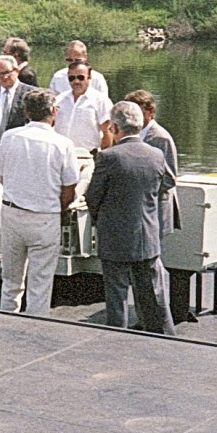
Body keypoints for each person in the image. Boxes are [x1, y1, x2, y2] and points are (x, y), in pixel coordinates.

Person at [85, 101, 175, 334]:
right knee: (154, 297)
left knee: (117, 299)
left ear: (114, 127)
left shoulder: (108, 157)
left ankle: (117, 342)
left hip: (115, 237)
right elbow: (166, 183)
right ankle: (166, 338)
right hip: (147, 235)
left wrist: (103, 219)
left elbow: (93, 197)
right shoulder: (156, 154)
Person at [0, 88, 79, 315]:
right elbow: (69, 188)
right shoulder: (63, 144)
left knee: (10, 280)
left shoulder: (9, 137)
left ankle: (5, 320)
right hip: (44, 217)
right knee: (40, 284)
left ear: (26, 112)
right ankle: (35, 326)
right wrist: (60, 207)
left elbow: (2, 176)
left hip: (12, 213)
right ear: (53, 111)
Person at [127, 88, 184, 323]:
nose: (132, 117)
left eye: (137, 112)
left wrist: (140, 185)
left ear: (150, 112)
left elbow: (169, 179)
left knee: (151, 267)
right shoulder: (130, 135)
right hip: (140, 210)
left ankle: (158, 320)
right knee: (140, 267)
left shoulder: (160, 137)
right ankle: (146, 317)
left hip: (156, 210)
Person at [53, 60, 112, 151]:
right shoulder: (59, 100)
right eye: (72, 78)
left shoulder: (100, 101)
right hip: (61, 153)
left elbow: (107, 132)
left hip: (89, 154)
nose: (76, 81)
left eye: (80, 77)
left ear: (89, 77)